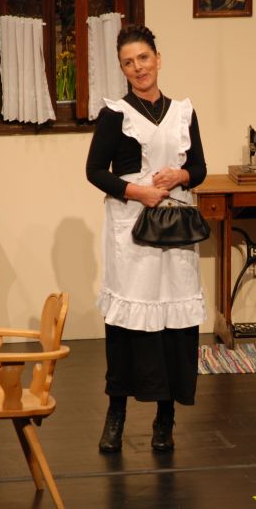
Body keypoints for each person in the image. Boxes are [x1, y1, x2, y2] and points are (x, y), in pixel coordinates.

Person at [86, 25, 207, 454]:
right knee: (128, 323)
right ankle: (116, 413)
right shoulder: (114, 114)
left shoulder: (183, 112)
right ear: (122, 69)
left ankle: (165, 418)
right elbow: (95, 171)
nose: (138, 67)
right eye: (128, 62)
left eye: (143, 58)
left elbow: (200, 168)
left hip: (175, 227)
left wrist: (181, 175)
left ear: (158, 58)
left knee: (174, 321)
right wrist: (139, 192)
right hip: (132, 230)